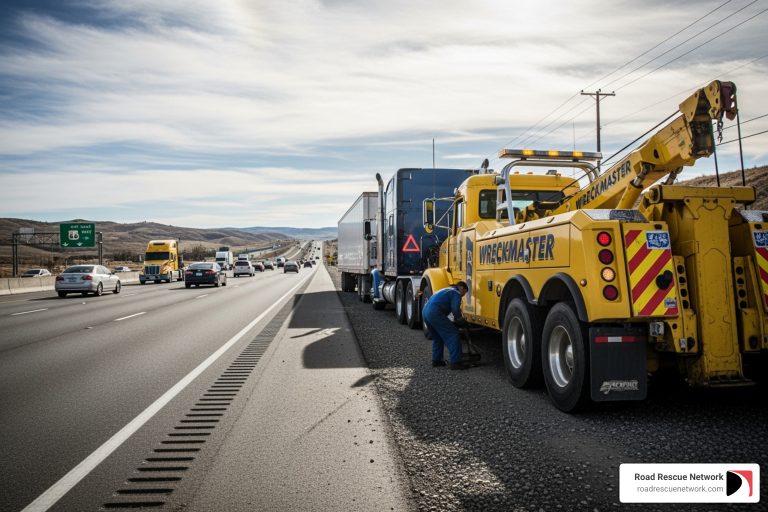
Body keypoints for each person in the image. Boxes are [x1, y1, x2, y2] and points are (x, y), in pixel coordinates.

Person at [423, 281, 471, 370]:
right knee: (453, 334)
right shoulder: (456, 293)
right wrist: (461, 320)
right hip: (434, 313)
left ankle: (437, 361)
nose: (463, 295)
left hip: (425, 312)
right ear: (462, 288)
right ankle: (456, 362)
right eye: (464, 292)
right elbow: (455, 309)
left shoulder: (446, 290)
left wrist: (455, 320)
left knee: (437, 337)